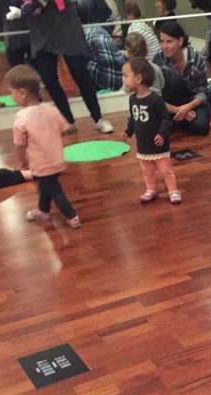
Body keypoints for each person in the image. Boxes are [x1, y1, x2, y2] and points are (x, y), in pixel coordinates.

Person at [7, 64, 80, 228]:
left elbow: (19, 145)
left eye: (11, 92)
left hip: (41, 163)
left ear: (22, 92)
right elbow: (67, 128)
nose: (11, 96)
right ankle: (43, 210)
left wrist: (22, 162)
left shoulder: (21, 117)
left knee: (55, 190)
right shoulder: (50, 109)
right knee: (46, 185)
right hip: (57, 158)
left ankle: (72, 215)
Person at [25, 0, 114, 133]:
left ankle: (98, 118)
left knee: (80, 74)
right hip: (40, 26)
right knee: (48, 78)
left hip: (66, 21)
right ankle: (68, 120)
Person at [122, 58, 181, 204]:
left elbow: (165, 118)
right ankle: (151, 189)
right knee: (147, 170)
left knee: (166, 170)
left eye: (125, 76)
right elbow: (133, 118)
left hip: (158, 144)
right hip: (143, 144)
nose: (123, 80)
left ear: (138, 78)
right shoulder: (132, 99)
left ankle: (173, 191)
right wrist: (129, 131)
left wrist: (161, 134)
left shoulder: (155, 100)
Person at [153, 21, 211, 135]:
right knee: (173, 79)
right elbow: (154, 97)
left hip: (192, 102)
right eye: (162, 42)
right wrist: (176, 110)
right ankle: (176, 118)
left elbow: (204, 90)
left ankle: (178, 120)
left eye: (169, 41)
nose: (164, 46)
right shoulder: (158, 59)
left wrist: (188, 108)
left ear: (180, 41)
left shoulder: (196, 57)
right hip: (169, 104)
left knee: (201, 127)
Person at [77, 3, 126, 91]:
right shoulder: (94, 30)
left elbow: (107, 72)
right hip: (117, 78)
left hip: (110, 83)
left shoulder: (89, 36)